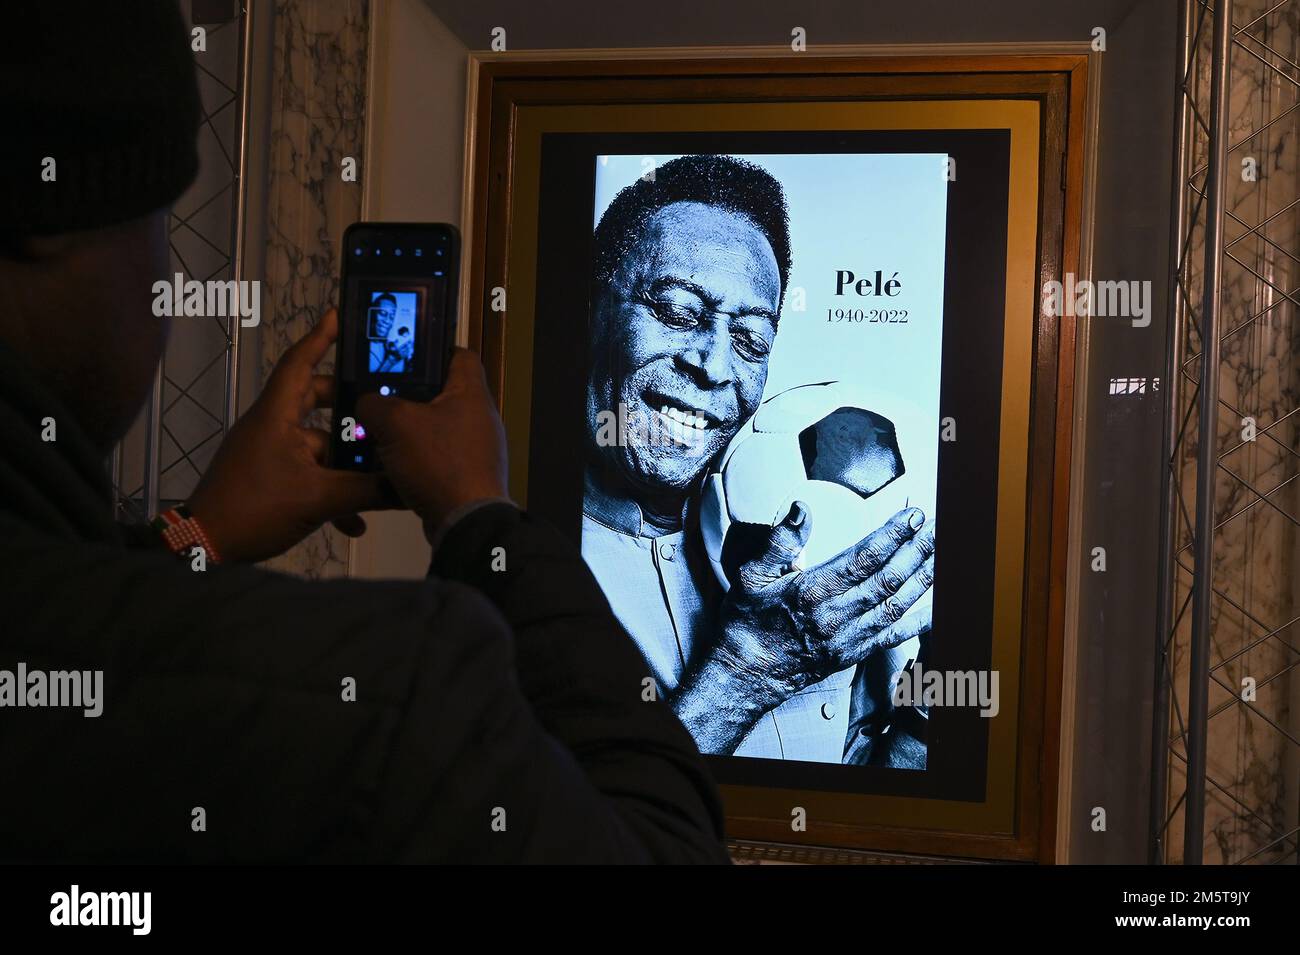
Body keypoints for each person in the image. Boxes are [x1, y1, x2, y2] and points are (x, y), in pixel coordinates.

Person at [0, 2, 728, 864]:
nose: (714, 362)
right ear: (46, 227)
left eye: (753, 336)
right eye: (158, 221)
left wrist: (200, 536)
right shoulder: (385, 707)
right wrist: (481, 519)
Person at [581, 155, 936, 763]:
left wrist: (929, 715)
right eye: (676, 312)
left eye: (748, 338)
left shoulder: (809, 538)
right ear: (587, 309)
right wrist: (743, 673)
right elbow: (570, 828)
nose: (713, 367)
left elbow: (862, 793)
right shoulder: (515, 567)